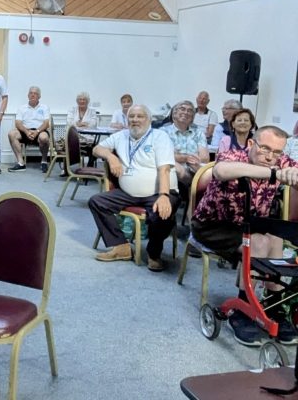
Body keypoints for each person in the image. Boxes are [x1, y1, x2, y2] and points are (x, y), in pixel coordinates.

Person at [190, 126, 298, 346]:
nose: (270, 156)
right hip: (213, 225)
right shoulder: (232, 154)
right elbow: (221, 171)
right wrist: (275, 173)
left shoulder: (281, 160)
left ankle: (274, 305)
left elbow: (292, 170)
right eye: (265, 148)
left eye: (277, 152)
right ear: (251, 144)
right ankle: (243, 309)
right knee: (257, 241)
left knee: (275, 237)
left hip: (250, 225)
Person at [88, 104, 179, 272]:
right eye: (132, 117)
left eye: (140, 116)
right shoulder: (121, 136)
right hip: (128, 193)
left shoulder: (160, 136)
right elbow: (96, 149)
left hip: (158, 191)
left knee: (161, 212)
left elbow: (164, 169)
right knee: (97, 201)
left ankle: (154, 254)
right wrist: (110, 156)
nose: (135, 120)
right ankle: (121, 246)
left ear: (149, 120)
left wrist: (164, 195)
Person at [162, 100, 210, 188]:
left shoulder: (198, 133)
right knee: (174, 168)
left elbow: (204, 158)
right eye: (182, 109)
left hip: (196, 170)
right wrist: (187, 158)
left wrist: (179, 156)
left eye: (190, 111)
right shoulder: (163, 132)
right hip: (173, 172)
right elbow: (164, 156)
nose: (186, 112)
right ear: (174, 113)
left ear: (192, 117)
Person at [7, 86, 51, 173]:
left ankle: (44, 161)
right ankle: (20, 163)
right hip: (25, 130)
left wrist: (37, 131)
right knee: (11, 134)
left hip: (40, 130)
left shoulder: (44, 107)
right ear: (28, 95)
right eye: (31, 93)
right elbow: (18, 123)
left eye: (35, 93)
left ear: (39, 96)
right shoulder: (22, 108)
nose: (33, 95)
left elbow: (46, 123)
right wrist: (27, 132)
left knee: (44, 138)